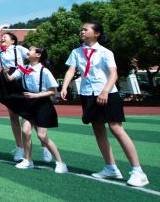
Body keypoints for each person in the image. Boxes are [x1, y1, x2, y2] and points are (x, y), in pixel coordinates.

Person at [61, 22, 149, 187]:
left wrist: (105, 92)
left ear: (97, 33)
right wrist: (65, 86)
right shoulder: (76, 52)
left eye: (85, 29)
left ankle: (138, 171)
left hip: (108, 94)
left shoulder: (105, 52)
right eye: (82, 29)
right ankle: (111, 167)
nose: (82, 31)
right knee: (98, 129)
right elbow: (71, 70)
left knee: (116, 128)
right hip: (88, 94)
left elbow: (113, 74)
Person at [2, 46, 67, 173]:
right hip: (28, 103)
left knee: (42, 135)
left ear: (38, 55)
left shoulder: (44, 71)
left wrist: (36, 95)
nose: (28, 52)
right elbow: (10, 79)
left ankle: (60, 162)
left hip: (42, 103)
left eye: (31, 50)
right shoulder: (24, 68)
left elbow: (53, 91)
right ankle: (27, 160)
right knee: (25, 131)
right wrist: (5, 73)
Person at [0, 24, 30, 161]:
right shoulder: (0, 50)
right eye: (2, 37)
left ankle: (42, 145)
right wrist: (1, 26)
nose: (2, 38)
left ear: (12, 41)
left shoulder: (18, 48)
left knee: (27, 114)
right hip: (6, 80)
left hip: (19, 78)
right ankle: (20, 148)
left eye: (5, 37)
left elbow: (33, 56)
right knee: (13, 115)